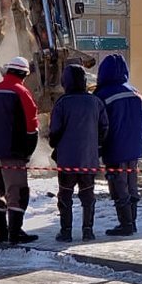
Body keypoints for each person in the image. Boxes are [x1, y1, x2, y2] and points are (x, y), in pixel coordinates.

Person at [0, 56, 40, 245]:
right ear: (24, 74)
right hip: (13, 152)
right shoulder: (21, 91)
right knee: (17, 192)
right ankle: (15, 234)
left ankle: (1, 233)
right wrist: (28, 151)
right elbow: (32, 126)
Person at [49, 63, 109, 242]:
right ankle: (88, 231)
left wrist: (55, 145)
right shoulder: (95, 102)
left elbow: (54, 131)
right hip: (88, 160)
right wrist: (97, 146)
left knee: (65, 195)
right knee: (88, 196)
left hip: (67, 160)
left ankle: (66, 231)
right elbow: (104, 127)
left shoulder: (62, 103)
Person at [94, 54, 142, 236]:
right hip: (134, 148)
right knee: (132, 185)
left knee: (118, 186)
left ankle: (126, 224)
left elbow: (100, 125)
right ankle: (132, 221)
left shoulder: (102, 95)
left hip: (114, 148)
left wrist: (98, 148)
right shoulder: (136, 93)